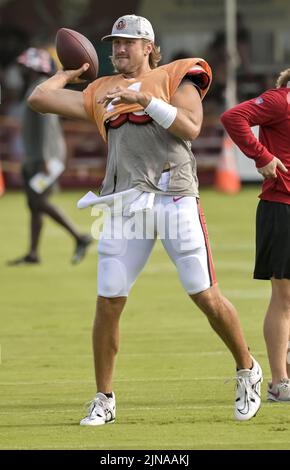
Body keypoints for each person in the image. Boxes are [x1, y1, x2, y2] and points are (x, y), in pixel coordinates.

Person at [27, 15, 263, 424]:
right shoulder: (99, 90)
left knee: (204, 294)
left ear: (149, 47)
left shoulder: (177, 75)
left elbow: (190, 126)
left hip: (174, 197)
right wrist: (66, 73)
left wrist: (145, 101)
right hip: (122, 203)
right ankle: (104, 397)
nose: (118, 50)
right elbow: (39, 99)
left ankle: (247, 368)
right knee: (109, 300)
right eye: (114, 43)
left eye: (128, 43)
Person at [221, 68, 290, 402]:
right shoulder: (281, 100)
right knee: (285, 296)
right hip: (282, 207)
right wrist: (261, 156)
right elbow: (234, 117)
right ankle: (279, 383)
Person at [7, 48, 92, 266]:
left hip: (47, 159)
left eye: (25, 67)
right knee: (33, 204)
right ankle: (33, 254)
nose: (21, 70)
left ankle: (79, 237)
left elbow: (46, 123)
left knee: (37, 201)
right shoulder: (35, 87)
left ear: (34, 68)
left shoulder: (42, 88)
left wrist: (45, 158)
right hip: (38, 158)